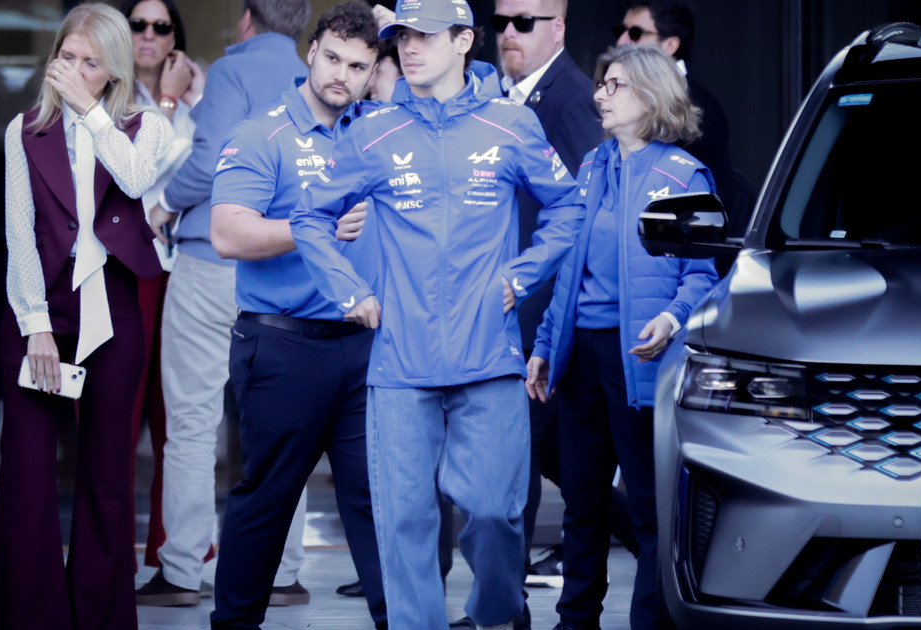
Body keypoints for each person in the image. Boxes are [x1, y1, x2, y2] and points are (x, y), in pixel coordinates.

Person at [289, 1, 584, 627]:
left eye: (424, 36)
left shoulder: (512, 124)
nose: (409, 48)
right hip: (400, 361)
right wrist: (349, 291)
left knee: (494, 511)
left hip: (489, 356)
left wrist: (523, 274)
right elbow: (309, 216)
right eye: (401, 36)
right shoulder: (373, 131)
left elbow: (570, 208)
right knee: (405, 523)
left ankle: (497, 610)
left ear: (464, 41)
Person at [0, 5, 171, 629]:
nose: (76, 70)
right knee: (27, 475)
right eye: (67, 57)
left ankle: (99, 618)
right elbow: (20, 233)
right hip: (38, 305)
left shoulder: (146, 125)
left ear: (114, 70)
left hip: (112, 306)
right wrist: (35, 323)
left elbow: (135, 180)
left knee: (108, 475)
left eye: (92, 62)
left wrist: (90, 113)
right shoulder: (25, 130)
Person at [208, 4, 389, 627]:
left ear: (374, 72)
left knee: (376, 500)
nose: (342, 75)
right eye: (332, 57)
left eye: (358, 66)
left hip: (363, 345)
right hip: (283, 347)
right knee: (268, 497)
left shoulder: (377, 133)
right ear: (310, 51)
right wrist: (315, 227)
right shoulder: (262, 134)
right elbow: (228, 234)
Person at [526, 45, 718, 630]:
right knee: (581, 502)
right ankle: (575, 622)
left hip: (641, 358)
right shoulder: (592, 166)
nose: (599, 95)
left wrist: (673, 318)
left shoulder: (683, 175)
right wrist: (545, 345)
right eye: (601, 84)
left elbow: (704, 274)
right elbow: (569, 269)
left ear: (651, 97)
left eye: (615, 86)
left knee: (649, 510)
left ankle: (650, 624)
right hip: (581, 354)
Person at [134, 0, 312, 607]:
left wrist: (165, 206)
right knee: (285, 428)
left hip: (212, 263)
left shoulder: (233, 71)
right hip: (287, 268)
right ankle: (283, 574)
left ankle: (182, 571)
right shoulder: (314, 76)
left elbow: (211, 161)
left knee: (190, 423)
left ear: (247, 19)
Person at [484, 5, 609, 623]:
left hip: (544, 318)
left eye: (525, 21)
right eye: (501, 20)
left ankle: (509, 610)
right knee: (555, 466)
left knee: (521, 466)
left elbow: (587, 213)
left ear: (558, 28)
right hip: (518, 312)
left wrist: (552, 316)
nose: (509, 31)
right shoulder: (505, 95)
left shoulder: (570, 100)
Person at [118, 0, 204, 578]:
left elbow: (213, 164)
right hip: (129, 267)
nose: (148, 35)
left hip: (185, 266)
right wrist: (169, 104)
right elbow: (138, 175)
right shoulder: (107, 96)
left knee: (178, 415)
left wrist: (190, 101)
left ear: (175, 37)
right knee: (120, 412)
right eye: (137, 25)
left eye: (161, 26)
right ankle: (110, 552)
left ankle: (173, 554)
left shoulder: (194, 96)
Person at [615, 0, 752, 246]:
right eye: (621, 31)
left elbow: (714, 206)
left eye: (635, 33)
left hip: (676, 255)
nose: (622, 41)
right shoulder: (624, 97)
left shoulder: (697, 106)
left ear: (670, 45)